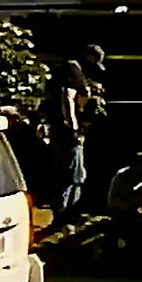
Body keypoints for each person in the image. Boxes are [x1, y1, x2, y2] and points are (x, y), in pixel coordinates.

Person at [44, 59, 89, 217]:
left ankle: (61, 210)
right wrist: (75, 132)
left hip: (58, 136)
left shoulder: (53, 91)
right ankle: (66, 212)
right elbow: (69, 116)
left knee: (64, 175)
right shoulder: (67, 92)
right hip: (69, 138)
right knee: (73, 176)